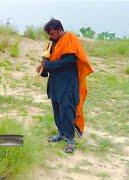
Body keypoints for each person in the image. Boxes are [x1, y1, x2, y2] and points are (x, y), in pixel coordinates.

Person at [36, 18, 93, 153]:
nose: (50, 37)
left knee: (67, 110)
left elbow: (69, 60)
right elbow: (48, 59)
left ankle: (70, 139)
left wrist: (49, 65)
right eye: (49, 34)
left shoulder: (70, 38)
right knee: (56, 109)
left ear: (60, 30)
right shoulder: (52, 43)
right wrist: (43, 68)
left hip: (68, 82)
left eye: (52, 34)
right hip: (55, 82)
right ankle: (61, 133)